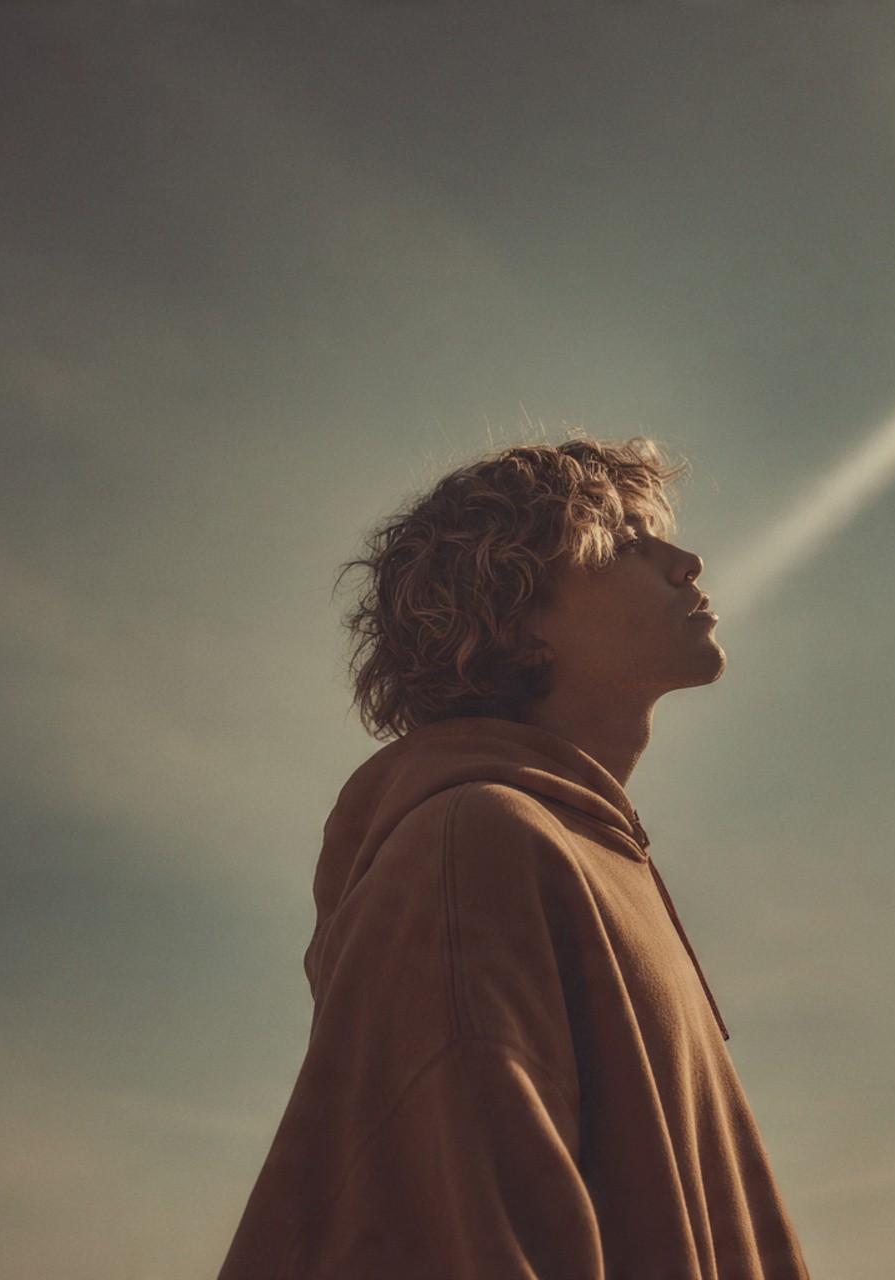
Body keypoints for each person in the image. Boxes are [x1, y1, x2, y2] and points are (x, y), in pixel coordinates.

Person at [218, 437, 808, 1279]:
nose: (687, 561)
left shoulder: (585, 850)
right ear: (517, 623)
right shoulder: (474, 844)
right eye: (627, 544)